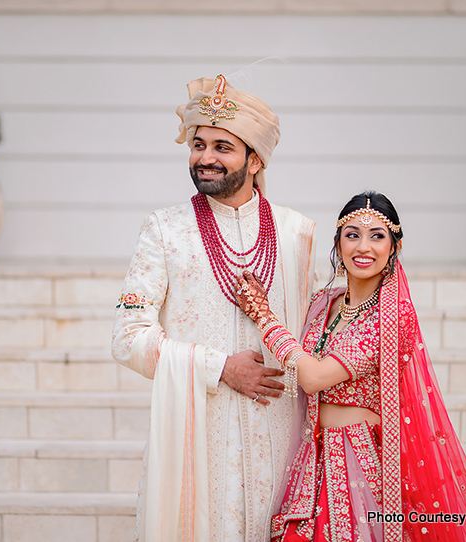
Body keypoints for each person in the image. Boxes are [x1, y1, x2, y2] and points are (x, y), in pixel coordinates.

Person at [112, 74, 317, 542]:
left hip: (282, 439)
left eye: (222, 147)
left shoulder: (297, 234)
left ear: (255, 158)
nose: (205, 157)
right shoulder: (164, 230)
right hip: (199, 440)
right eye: (198, 144)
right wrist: (219, 368)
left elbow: (321, 337)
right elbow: (127, 338)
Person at [234, 192, 466, 542]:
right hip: (311, 457)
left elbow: (314, 377)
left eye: (377, 235)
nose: (364, 246)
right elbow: (294, 359)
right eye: (353, 234)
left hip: (359, 462)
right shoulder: (323, 303)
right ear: (338, 243)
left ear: (395, 247)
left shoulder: (392, 318)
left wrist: (264, 316)